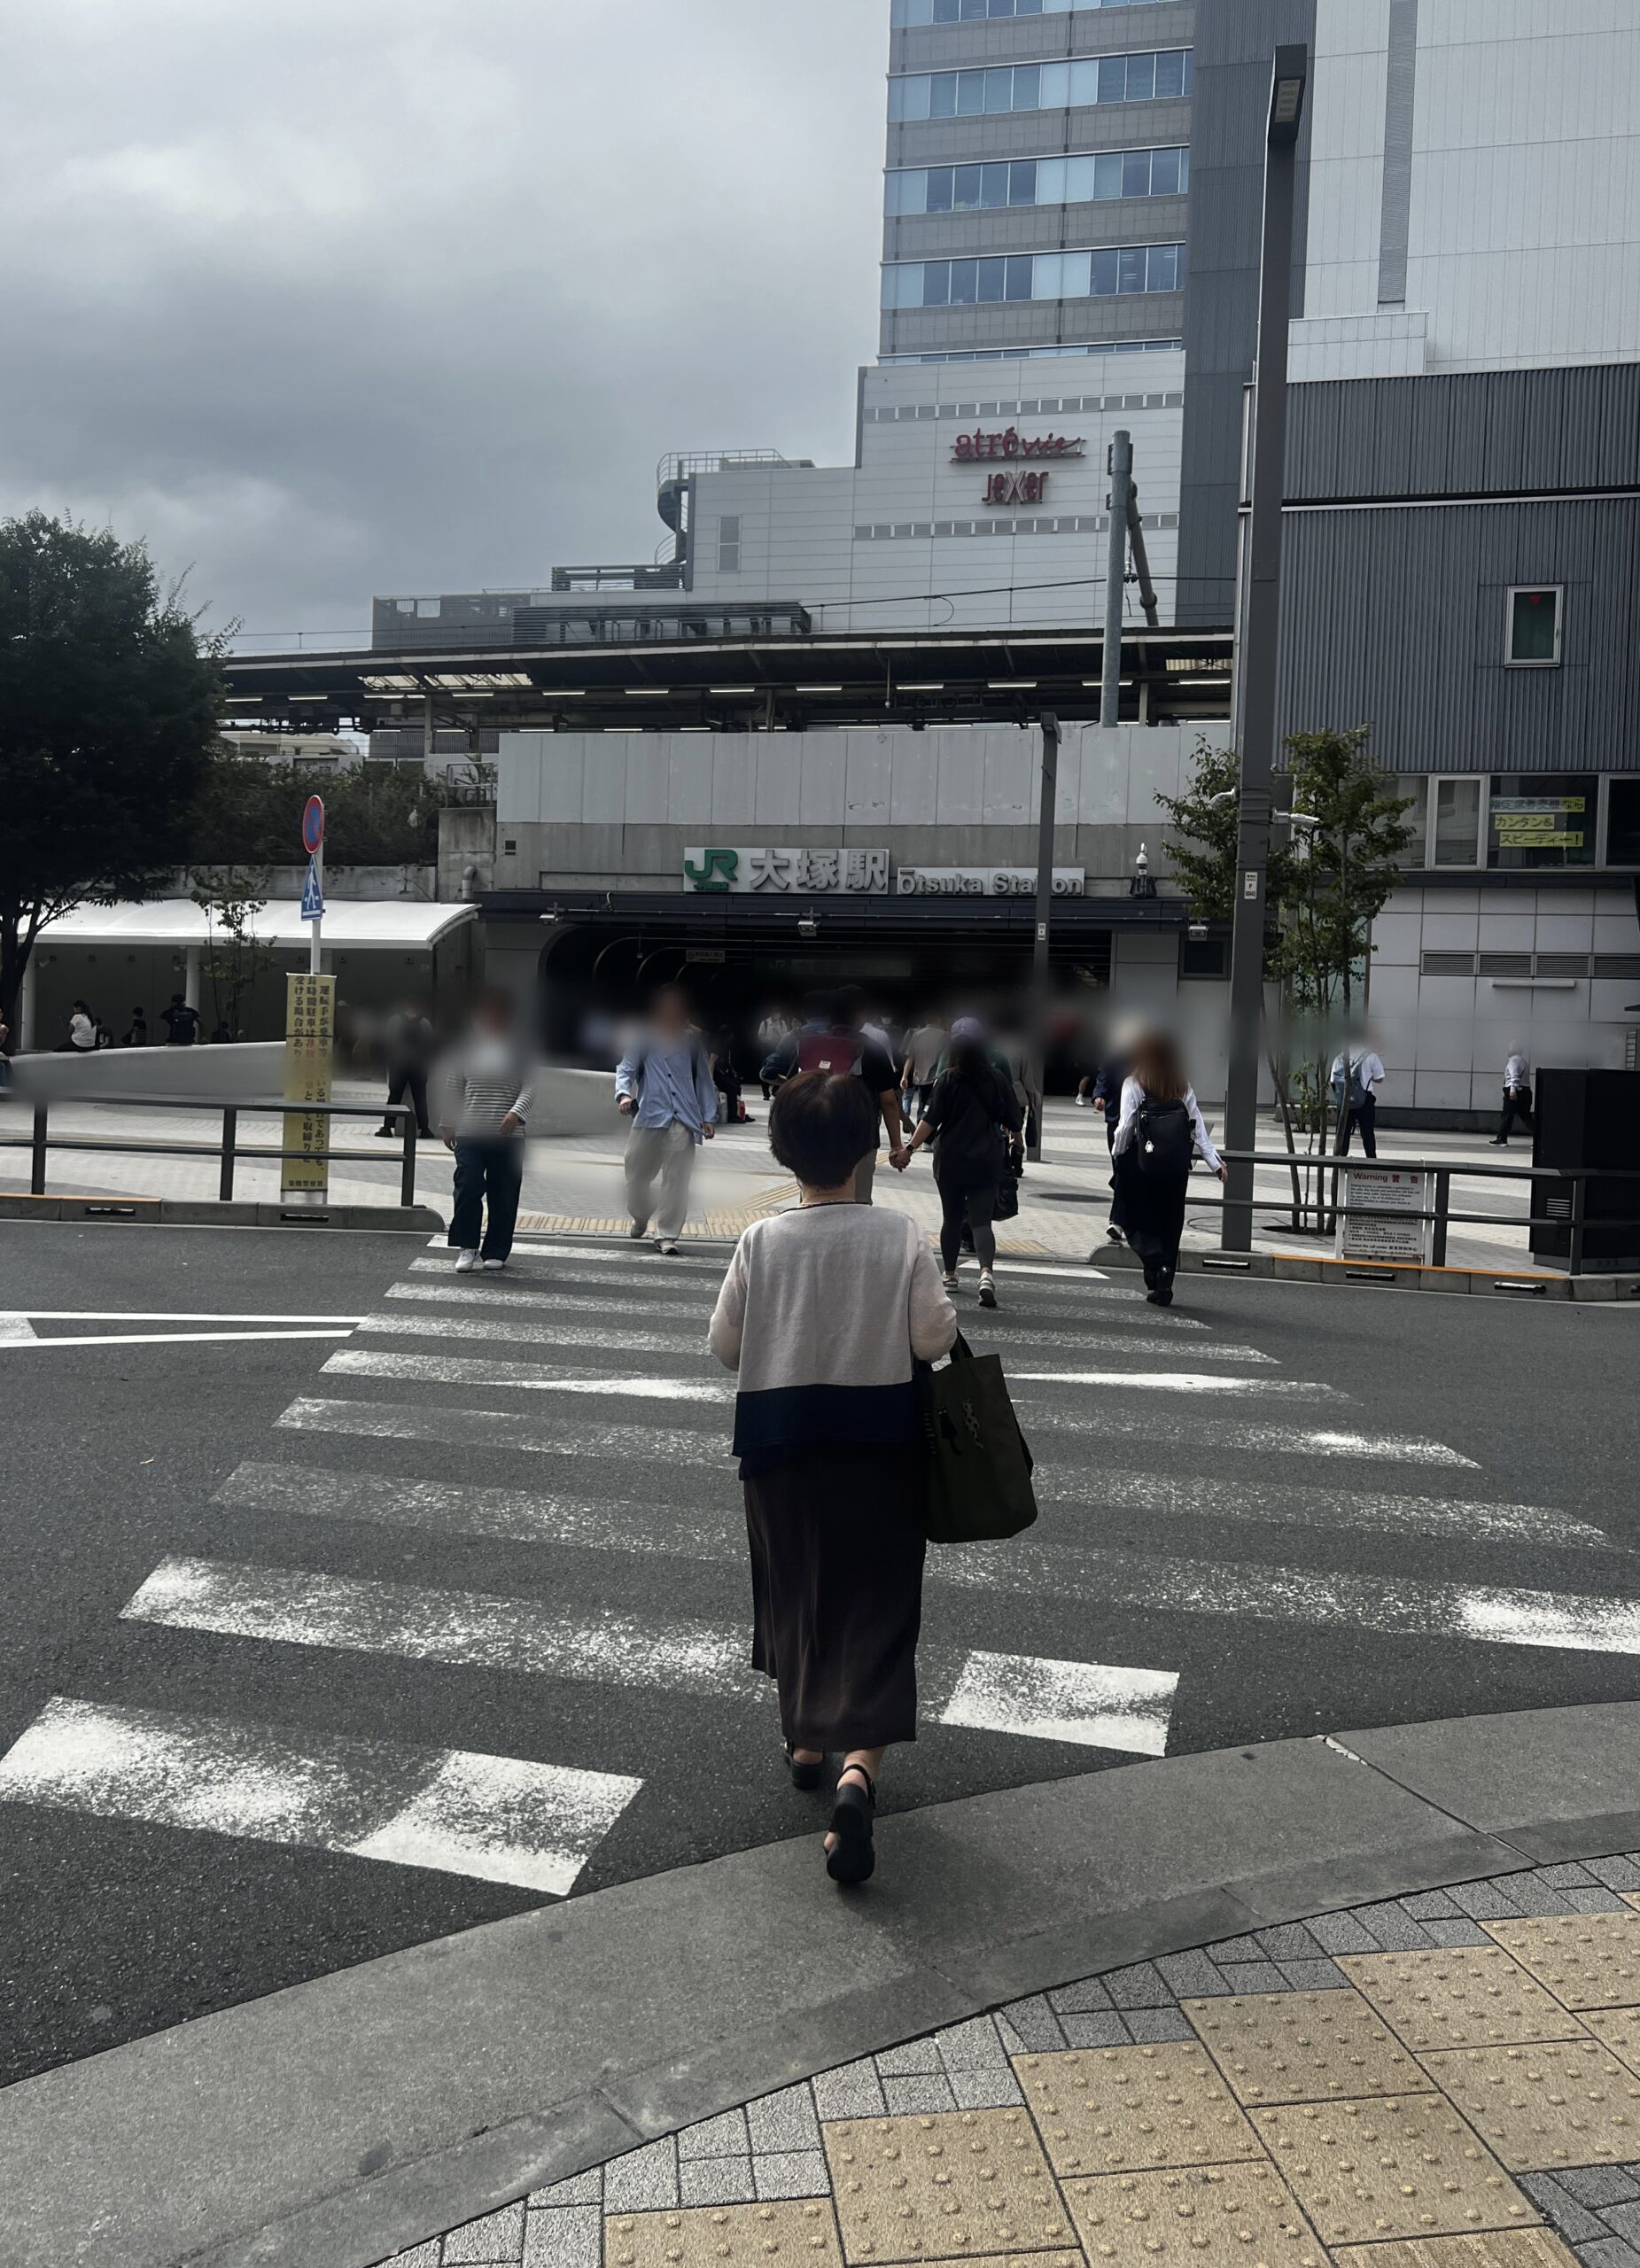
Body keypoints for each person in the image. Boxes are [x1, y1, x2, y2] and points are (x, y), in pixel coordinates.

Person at [708, 1070, 957, 1888]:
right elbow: (931, 1341)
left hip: (780, 1446)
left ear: (782, 1151)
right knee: (878, 1604)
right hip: (880, 1445)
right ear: (862, 1150)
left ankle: (806, 1742)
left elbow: (725, 1347)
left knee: (794, 1589)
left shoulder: (761, 1240)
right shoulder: (896, 1236)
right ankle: (858, 1773)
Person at [903, 1019, 1022, 1309]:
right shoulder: (996, 1079)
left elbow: (930, 1121)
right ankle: (986, 1275)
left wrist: (909, 1149)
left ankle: (951, 1275)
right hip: (986, 1159)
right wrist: (1018, 1142)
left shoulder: (947, 1078)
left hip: (951, 1160)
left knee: (952, 1220)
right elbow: (1014, 1120)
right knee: (981, 1222)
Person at [1110, 1029, 1225, 1308]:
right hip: (1175, 1167)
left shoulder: (1134, 1083)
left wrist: (1117, 1154)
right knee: (1169, 1224)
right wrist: (1216, 1164)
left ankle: (1156, 1264)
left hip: (1142, 1166)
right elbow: (1197, 1127)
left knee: (1134, 1220)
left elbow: (1125, 1127)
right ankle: (1163, 1285)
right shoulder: (1181, 1084)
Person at [762, 986, 905, 1205]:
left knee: (811, 1198)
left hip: (811, 1130)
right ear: (860, 1014)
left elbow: (767, 1073)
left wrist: (794, 1085)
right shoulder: (871, 1047)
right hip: (859, 1135)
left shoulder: (802, 1039)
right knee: (858, 1200)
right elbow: (888, 1101)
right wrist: (896, 1146)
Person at [436, 986, 536, 1273]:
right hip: (470, 1130)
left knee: (503, 1193)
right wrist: (447, 1122)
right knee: (467, 1187)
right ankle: (467, 1246)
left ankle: (496, 1249)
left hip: (508, 1135)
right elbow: (454, 1084)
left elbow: (532, 1084)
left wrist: (516, 1113)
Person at [615, 984, 719, 1254]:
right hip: (649, 1116)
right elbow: (625, 1069)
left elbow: (705, 1083)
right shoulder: (642, 1039)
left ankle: (667, 1234)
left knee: (676, 1181)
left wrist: (708, 1116)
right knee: (635, 1177)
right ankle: (641, 1214)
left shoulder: (693, 1045)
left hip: (683, 1120)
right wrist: (624, 1095)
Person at [1091, 1040, 1131, 1250]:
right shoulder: (1113, 1058)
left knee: (1125, 1171)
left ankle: (1118, 1221)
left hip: (1141, 1128)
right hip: (1116, 1124)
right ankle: (1122, 1220)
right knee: (1120, 1170)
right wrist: (1098, 1097)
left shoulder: (1145, 1060)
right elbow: (1102, 1081)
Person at [378, 1002, 436, 1139]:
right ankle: (424, 1129)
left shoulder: (395, 1020)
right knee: (420, 1097)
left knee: (394, 1097)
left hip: (399, 1064)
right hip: (418, 1065)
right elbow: (430, 1043)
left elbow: (388, 1040)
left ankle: (387, 1128)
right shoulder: (425, 1022)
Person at [1332, 1037, 1387, 1157]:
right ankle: (1371, 1163)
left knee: (1343, 1133)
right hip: (1364, 1099)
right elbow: (1379, 1078)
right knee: (1367, 1134)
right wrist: (1368, 1075)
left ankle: (1339, 1162)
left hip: (1345, 1101)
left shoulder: (1340, 1057)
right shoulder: (1370, 1056)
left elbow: (1333, 1081)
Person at [899, 1011, 948, 1132]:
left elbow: (911, 1057)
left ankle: (918, 1135)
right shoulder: (946, 1036)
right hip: (939, 1077)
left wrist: (904, 1076)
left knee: (922, 1106)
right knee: (936, 1106)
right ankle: (930, 1137)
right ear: (939, 1019)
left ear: (926, 1019)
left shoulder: (917, 1035)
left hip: (920, 1077)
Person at [1493, 1047, 1535, 1146]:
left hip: (1515, 1090)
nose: (1507, 1050)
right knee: (1526, 1116)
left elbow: (1514, 1076)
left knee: (1507, 1115)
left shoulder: (1514, 1060)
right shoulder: (1523, 1060)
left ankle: (1502, 1139)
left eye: (1509, 1048)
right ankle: (1541, 1138)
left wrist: (1512, 1090)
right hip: (1525, 1091)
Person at [756, 1007, 790, 1100]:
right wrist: (770, 1039)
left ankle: (776, 1090)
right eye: (776, 1013)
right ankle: (766, 1093)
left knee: (778, 1069)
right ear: (772, 1014)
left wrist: (778, 1035)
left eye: (779, 1013)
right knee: (766, 1069)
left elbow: (786, 1035)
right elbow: (760, 1035)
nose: (778, 1015)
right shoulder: (765, 1023)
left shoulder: (782, 1023)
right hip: (767, 1047)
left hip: (778, 1047)